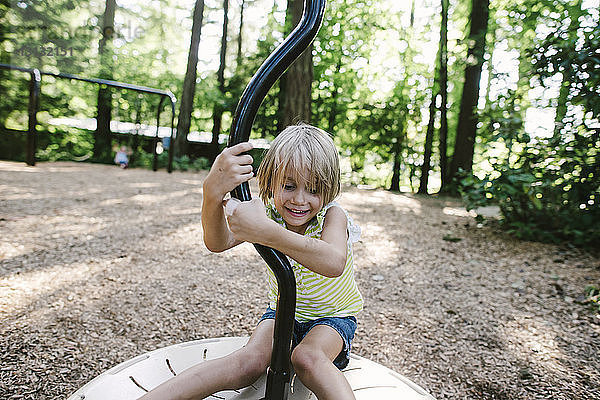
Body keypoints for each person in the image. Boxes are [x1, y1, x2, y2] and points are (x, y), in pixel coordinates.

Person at [141, 124, 363, 400]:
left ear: (329, 189)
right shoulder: (269, 214)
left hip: (332, 317)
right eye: (289, 186)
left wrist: (268, 233)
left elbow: (333, 262)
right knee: (247, 363)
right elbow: (218, 242)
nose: (299, 200)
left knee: (307, 358)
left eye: (314, 190)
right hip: (282, 313)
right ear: (270, 180)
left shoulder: (332, 216)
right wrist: (212, 195)